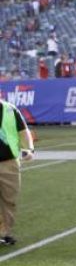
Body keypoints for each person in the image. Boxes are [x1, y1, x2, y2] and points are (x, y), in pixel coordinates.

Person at [0, 95, 35, 246]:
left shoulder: (10, 109)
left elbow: (23, 131)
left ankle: (4, 233)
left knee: (9, 200)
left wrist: (28, 148)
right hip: (9, 163)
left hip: (9, 163)